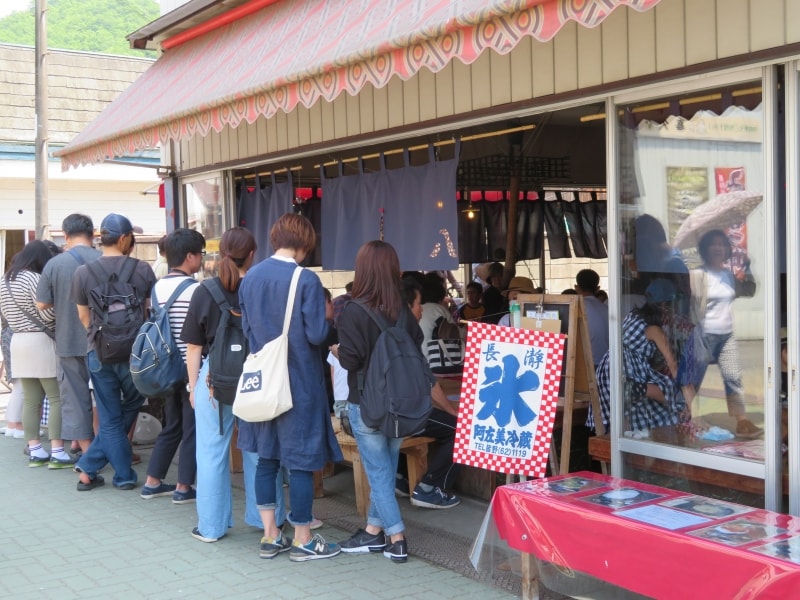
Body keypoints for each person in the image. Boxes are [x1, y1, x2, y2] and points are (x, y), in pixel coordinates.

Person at [337, 240, 452, 563]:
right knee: (384, 469)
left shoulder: (353, 310)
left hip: (367, 404)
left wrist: (336, 351)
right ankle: (373, 532)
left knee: (379, 472)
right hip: (403, 403)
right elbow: (415, 349)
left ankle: (396, 537)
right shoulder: (403, 310)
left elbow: (350, 360)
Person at [238, 213, 342, 562]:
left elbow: (248, 332)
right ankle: (303, 537)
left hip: (263, 382)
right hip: (299, 382)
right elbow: (315, 334)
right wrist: (330, 329)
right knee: (299, 462)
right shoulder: (305, 280)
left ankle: (270, 535)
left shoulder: (250, 278)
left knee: (266, 458)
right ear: (305, 242)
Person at [181, 227, 265, 543]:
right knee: (258, 450)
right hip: (256, 380)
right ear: (253, 254)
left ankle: (212, 527)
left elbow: (193, 346)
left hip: (212, 381)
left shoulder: (205, 291)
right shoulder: (261, 288)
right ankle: (265, 519)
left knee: (212, 453)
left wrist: (192, 388)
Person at [71, 213, 156, 491]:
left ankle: (91, 467)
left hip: (100, 351)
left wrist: (103, 336)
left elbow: (84, 317)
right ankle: (120, 476)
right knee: (129, 406)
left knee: (109, 416)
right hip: (135, 353)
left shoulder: (83, 273)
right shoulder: (142, 269)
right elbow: (146, 312)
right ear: (124, 238)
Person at [140, 229, 205, 503]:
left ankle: (153, 480)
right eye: (200, 253)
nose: (202, 259)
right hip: (190, 367)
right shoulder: (195, 289)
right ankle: (183, 487)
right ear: (189, 256)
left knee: (173, 425)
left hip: (166, 367)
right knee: (192, 427)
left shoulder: (157, 288)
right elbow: (200, 332)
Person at [0, 240, 71, 467]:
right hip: (40, 341)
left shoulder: (4, 280)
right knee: (56, 397)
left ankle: (35, 450)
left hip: (18, 341)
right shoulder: (34, 278)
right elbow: (46, 313)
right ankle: (58, 451)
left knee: (31, 400)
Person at [36, 214, 101, 454]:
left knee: (75, 400)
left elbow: (41, 304)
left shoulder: (55, 264)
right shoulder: (106, 258)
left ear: (65, 235)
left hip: (68, 341)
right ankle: (115, 447)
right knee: (109, 398)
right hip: (105, 343)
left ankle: (88, 451)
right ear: (92, 234)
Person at [591, 279, 689, 435]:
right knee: (669, 389)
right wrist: (689, 401)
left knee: (624, 414)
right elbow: (674, 365)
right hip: (629, 368)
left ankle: (635, 393)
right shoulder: (655, 329)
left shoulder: (631, 316)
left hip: (609, 366)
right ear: (665, 306)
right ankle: (637, 388)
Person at [395, 277, 461, 510]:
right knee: (461, 429)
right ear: (407, 306)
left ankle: (401, 478)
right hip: (404, 414)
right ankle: (429, 488)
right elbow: (429, 384)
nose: (421, 308)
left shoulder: (387, 329)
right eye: (418, 304)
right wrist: (451, 410)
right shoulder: (407, 337)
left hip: (384, 412)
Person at [691, 229, 760, 437]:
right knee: (693, 379)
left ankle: (742, 421)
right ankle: (686, 415)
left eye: (722, 244)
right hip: (703, 335)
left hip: (726, 334)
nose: (718, 248)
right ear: (705, 248)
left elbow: (749, 291)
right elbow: (690, 307)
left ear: (728, 249)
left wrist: (747, 267)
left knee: (733, 378)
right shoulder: (697, 274)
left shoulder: (728, 275)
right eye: (713, 243)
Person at [573, 269, 609, 368]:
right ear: (597, 289)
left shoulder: (576, 308)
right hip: (607, 363)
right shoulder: (607, 309)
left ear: (576, 288)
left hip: (586, 365)